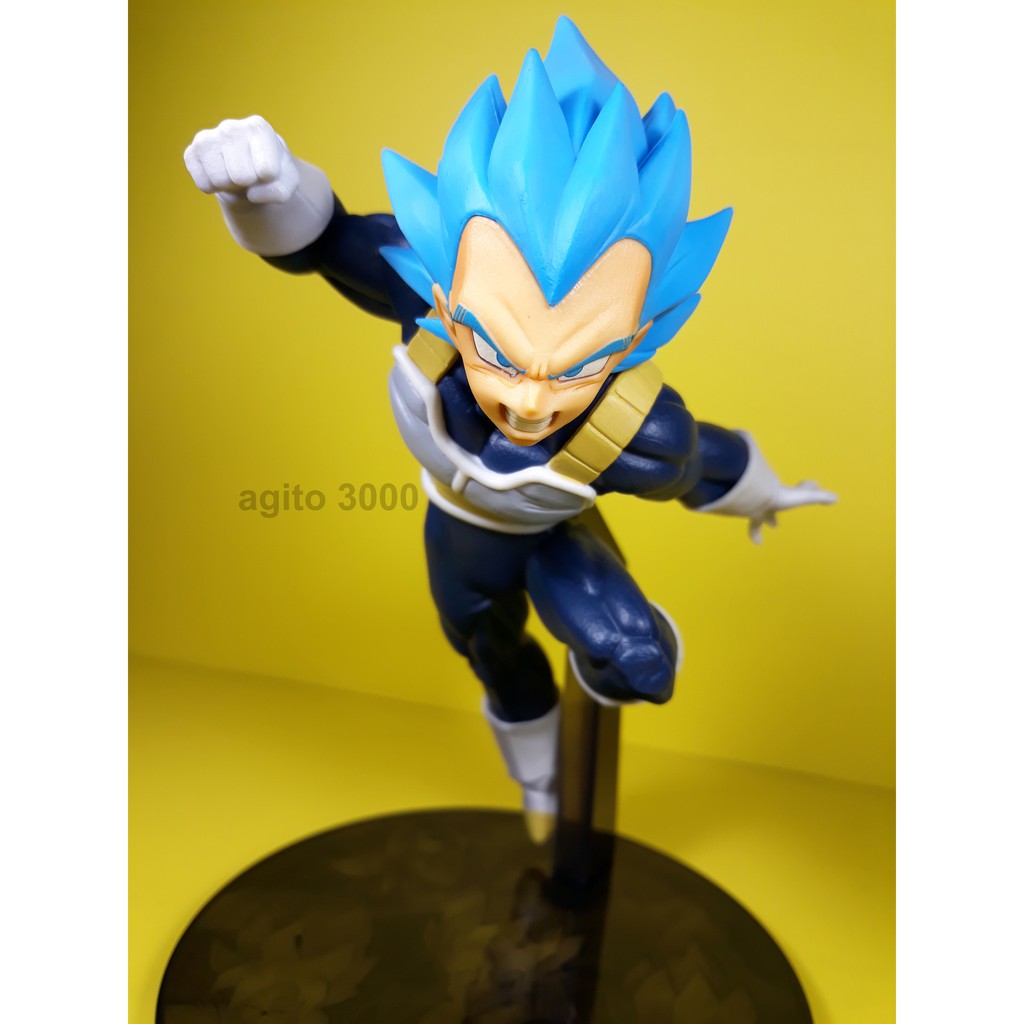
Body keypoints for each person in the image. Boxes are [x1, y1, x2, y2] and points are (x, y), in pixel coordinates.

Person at [184, 17, 835, 842]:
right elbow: (325, 240)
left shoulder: (637, 430)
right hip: (456, 542)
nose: (529, 403)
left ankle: (606, 694)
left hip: (553, 544)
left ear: (636, 339)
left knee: (629, 652)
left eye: (575, 367)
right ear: (448, 299)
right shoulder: (425, 296)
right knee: (488, 651)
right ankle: (539, 776)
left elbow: (703, 463)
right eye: (499, 352)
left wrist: (766, 494)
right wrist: (266, 193)